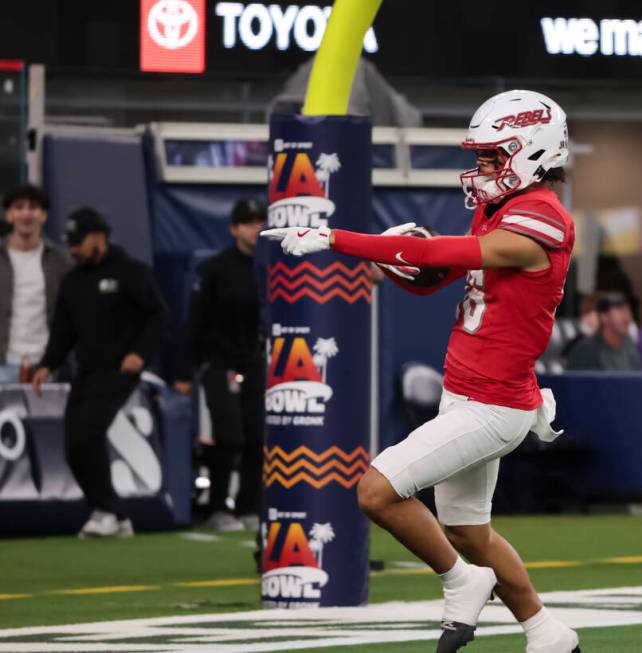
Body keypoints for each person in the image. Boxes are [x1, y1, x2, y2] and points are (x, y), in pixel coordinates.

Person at [262, 89, 580, 653]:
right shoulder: (498, 207)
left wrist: (339, 239)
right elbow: (434, 275)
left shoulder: (543, 217)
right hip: (467, 394)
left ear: (531, 152)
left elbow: (443, 257)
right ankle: (546, 631)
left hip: (494, 404)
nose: (481, 169)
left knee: (376, 492)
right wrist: (392, 256)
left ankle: (461, 580)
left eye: (491, 157)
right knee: (467, 532)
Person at [32, 208, 169, 538]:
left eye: (80, 242)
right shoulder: (73, 281)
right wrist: (47, 364)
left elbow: (158, 316)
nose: (74, 249)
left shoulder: (131, 271)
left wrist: (140, 353)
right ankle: (114, 515)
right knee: (72, 445)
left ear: (100, 238)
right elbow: (63, 331)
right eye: (71, 242)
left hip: (120, 370)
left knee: (88, 435)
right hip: (87, 371)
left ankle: (106, 511)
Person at [174, 198, 267, 532]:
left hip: (255, 362)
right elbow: (194, 321)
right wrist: (186, 370)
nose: (256, 228)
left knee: (257, 437)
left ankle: (248, 507)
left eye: (260, 221)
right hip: (219, 363)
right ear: (234, 229)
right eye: (248, 222)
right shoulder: (214, 269)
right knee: (228, 437)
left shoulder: (269, 267)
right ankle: (217, 508)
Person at [0, 184, 71, 383]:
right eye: (19, 207)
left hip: (45, 368)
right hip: (2, 366)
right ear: (9, 215)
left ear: (43, 215)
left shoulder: (61, 261)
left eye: (33, 207)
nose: (26, 214)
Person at [565, 291, 642, 371]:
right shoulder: (585, 351)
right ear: (604, 316)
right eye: (620, 311)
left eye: (628, 311)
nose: (627, 318)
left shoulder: (630, 348)